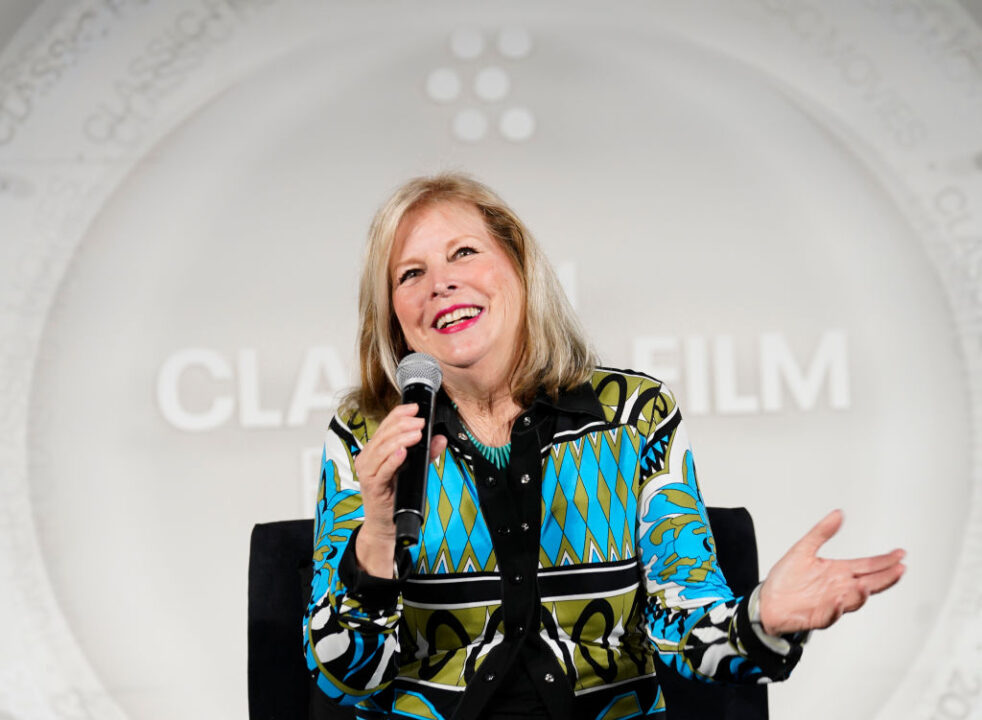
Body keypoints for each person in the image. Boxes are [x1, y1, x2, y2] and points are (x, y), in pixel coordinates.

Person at [303, 173, 905, 720]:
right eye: (411, 274)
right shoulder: (366, 432)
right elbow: (343, 677)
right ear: (393, 316)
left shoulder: (633, 416)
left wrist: (761, 620)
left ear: (518, 266)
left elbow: (684, 620)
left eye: (463, 252)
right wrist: (378, 535)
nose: (442, 283)